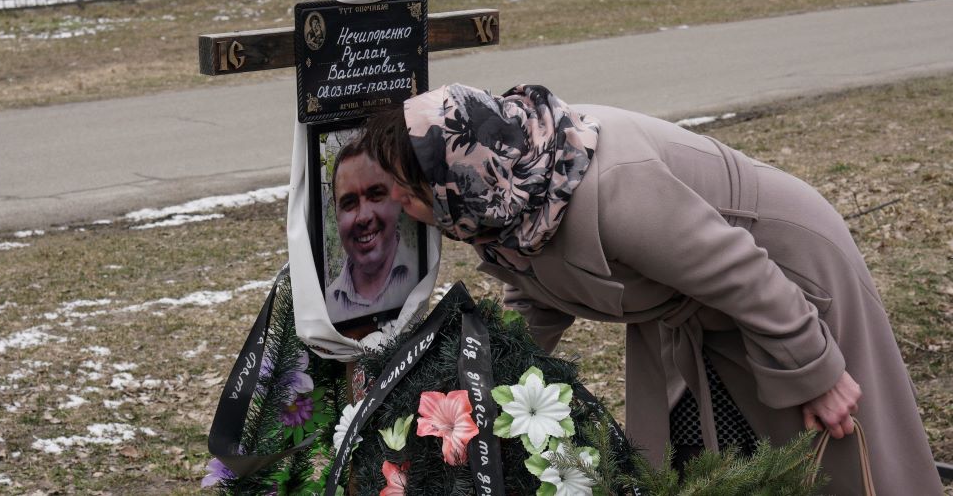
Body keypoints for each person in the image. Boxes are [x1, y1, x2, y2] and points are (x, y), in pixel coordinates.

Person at [359, 83, 943, 495]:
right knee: (700, 458)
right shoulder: (512, 192)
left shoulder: (611, 190)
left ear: (455, 181)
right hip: (693, 301)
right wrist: (476, 386)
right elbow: (535, 294)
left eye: (408, 193)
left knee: (829, 457)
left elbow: (742, 272)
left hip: (784, 280)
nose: (403, 210)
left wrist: (815, 372)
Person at [325, 139, 420, 324]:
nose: (363, 217)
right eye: (349, 203)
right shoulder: (327, 307)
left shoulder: (420, 277)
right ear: (336, 215)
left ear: (398, 201)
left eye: (375, 195)